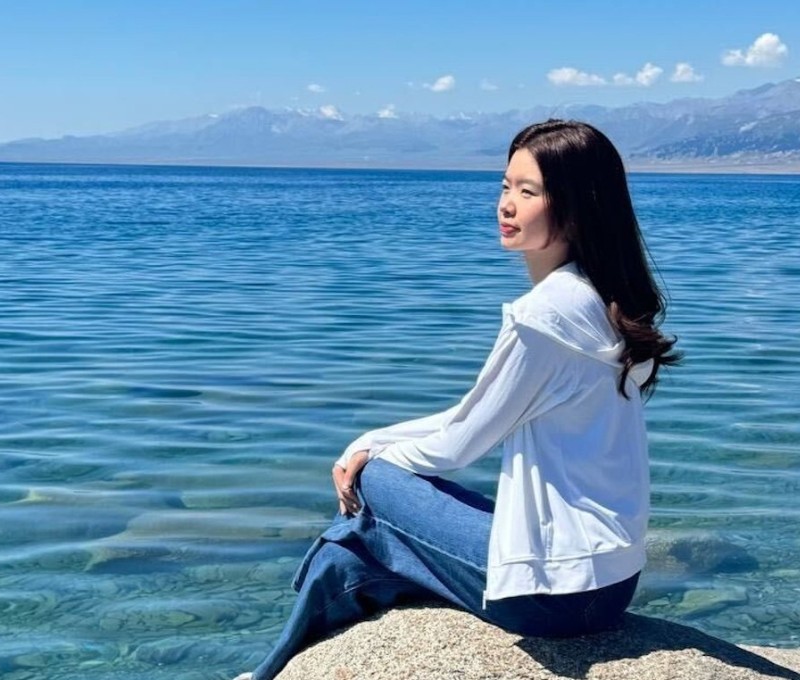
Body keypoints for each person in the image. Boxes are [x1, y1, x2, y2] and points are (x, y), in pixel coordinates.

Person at [235, 119, 679, 680]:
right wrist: (374, 440)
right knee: (353, 555)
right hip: (611, 586)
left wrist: (366, 459)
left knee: (374, 484)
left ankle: (270, 666)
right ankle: (276, 663)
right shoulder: (604, 301)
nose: (507, 205)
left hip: (552, 599)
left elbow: (459, 443)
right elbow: (471, 416)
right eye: (504, 186)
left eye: (529, 191)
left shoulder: (546, 315)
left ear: (575, 207)